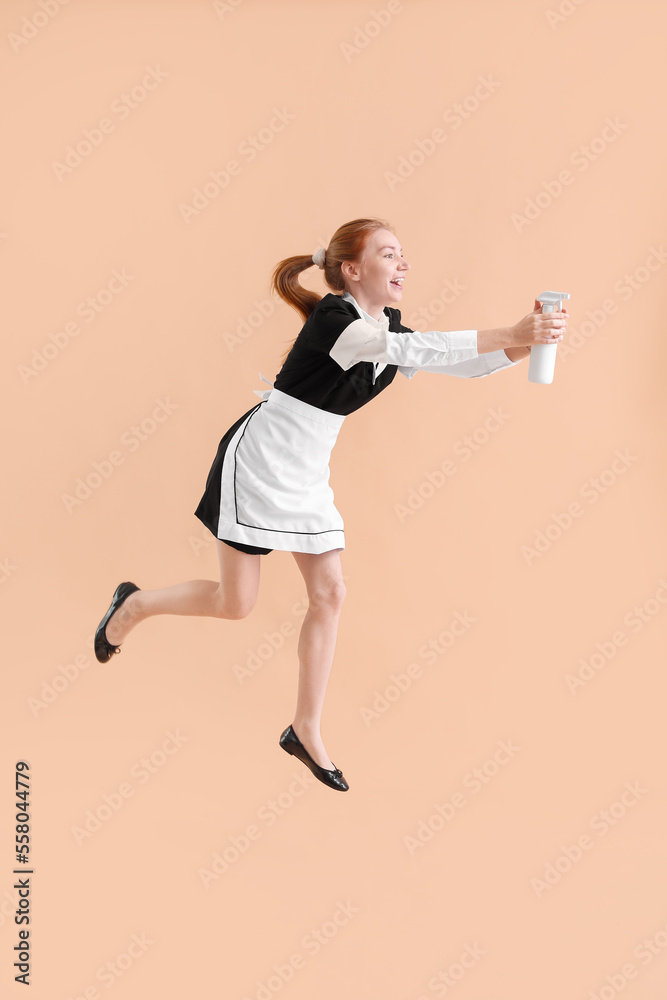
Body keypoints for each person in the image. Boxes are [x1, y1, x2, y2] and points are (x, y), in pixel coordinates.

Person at [94, 217, 568, 792]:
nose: (403, 265)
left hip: (308, 472)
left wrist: (526, 342)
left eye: (402, 255)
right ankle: (134, 605)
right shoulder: (334, 319)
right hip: (261, 462)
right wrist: (508, 330)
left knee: (331, 593)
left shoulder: (386, 326)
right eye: (390, 254)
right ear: (353, 268)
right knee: (235, 603)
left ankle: (305, 728)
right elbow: (405, 348)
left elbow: (443, 358)